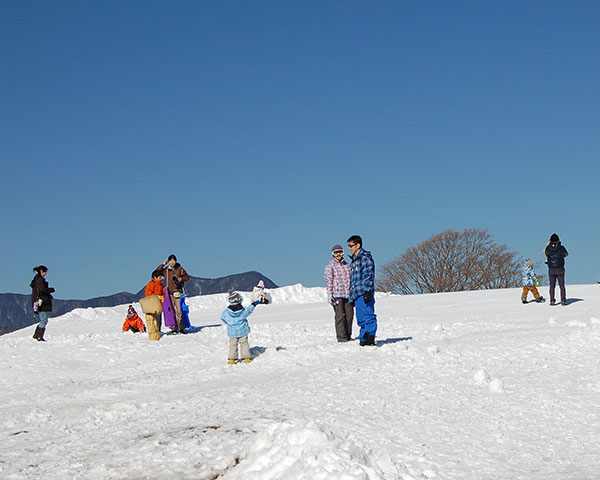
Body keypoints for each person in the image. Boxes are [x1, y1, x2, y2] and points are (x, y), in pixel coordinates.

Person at [347, 235, 378, 346]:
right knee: (360, 318)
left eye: (351, 245)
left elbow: (369, 275)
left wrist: (367, 291)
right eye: (348, 246)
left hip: (364, 292)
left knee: (368, 315)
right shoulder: (354, 261)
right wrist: (351, 297)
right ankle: (363, 339)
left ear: (358, 245)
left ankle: (370, 337)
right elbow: (353, 280)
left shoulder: (365, 258)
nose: (349, 248)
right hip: (356, 294)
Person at [221, 290, 260, 364]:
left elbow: (223, 318)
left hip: (232, 332)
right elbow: (249, 310)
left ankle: (232, 359)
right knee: (244, 343)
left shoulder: (226, 312)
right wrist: (254, 304)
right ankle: (246, 358)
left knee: (233, 345)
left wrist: (229, 323)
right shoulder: (243, 310)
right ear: (239, 300)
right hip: (242, 331)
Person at [324, 244, 354, 342]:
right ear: (333, 254)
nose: (338, 254)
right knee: (340, 316)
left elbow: (351, 278)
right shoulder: (330, 266)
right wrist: (329, 293)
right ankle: (342, 337)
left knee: (349, 316)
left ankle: (348, 335)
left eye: (340, 252)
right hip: (337, 295)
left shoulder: (347, 265)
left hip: (347, 294)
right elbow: (329, 280)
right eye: (336, 252)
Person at [156, 254, 190, 334]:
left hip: (178, 291)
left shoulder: (180, 268)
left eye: (173, 260)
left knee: (179, 311)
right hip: (169, 293)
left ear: (176, 261)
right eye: (170, 261)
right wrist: (163, 264)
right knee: (171, 311)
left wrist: (181, 279)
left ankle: (181, 328)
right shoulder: (166, 270)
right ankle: (174, 328)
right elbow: (157, 271)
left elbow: (187, 277)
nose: (172, 262)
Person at [30, 265, 55, 342]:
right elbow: (43, 290)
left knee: (44, 319)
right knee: (43, 319)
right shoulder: (40, 280)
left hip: (38, 301)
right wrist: (51, 290)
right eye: (45, 272)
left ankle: (36, 335)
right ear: (41, 271)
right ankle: (39, 336)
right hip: (42, 302)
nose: (45, 274)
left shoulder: (36, 279)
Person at [543, 233, 569, 306]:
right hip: (560, 268)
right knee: (562, 286)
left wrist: (548, 244)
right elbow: (566, 254)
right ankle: (563, 300)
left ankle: (552, 300)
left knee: (552, 286)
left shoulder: (548, 248)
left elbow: (546, 253)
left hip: (551, 269)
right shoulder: (561, 248)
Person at [144, 270, 165, 339]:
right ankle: (153, 332)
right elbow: (148, 294)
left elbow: (163, 293)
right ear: (155, 277)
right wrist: (156, 296)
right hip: (152, 304)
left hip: (159, 304)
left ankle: (158, 332)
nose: (160, 278)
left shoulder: (161, 285)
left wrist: (163, 297)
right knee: (153, 319)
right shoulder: (151, 284)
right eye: (159, 277)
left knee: (159, 319)